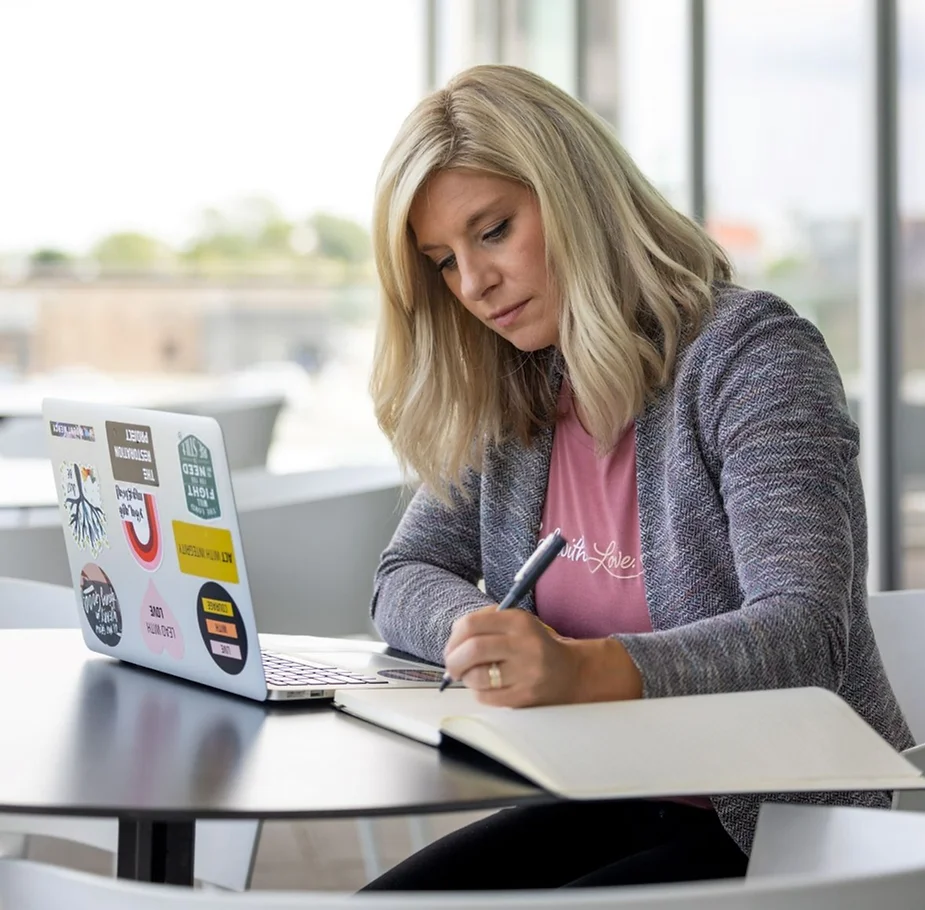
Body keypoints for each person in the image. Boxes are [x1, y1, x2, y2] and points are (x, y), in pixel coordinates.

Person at [362, 63, 913, 890]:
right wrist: (481, 634)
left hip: (780, 821)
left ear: (576, 194)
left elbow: (804, 633)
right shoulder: (517, 381)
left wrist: (579, 668)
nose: (473, 285)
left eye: (493, 230)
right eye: (442, 261)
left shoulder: (753, 358)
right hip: (602, 792)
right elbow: (404, 573)